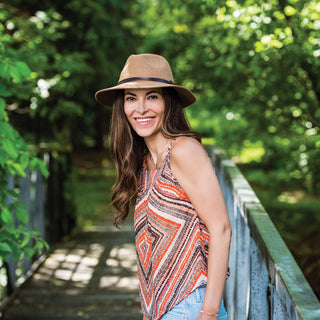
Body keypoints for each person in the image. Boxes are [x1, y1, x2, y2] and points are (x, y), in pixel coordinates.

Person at [95, 54, 232, 320]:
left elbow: (221, 228)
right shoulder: (145, 165)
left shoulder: (183, 150)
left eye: (153, 96)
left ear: (168, 102)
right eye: (131, 98)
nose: (141, 108)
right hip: (162, 309)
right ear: (122, 106)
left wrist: (209, 313)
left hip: (192, 306)